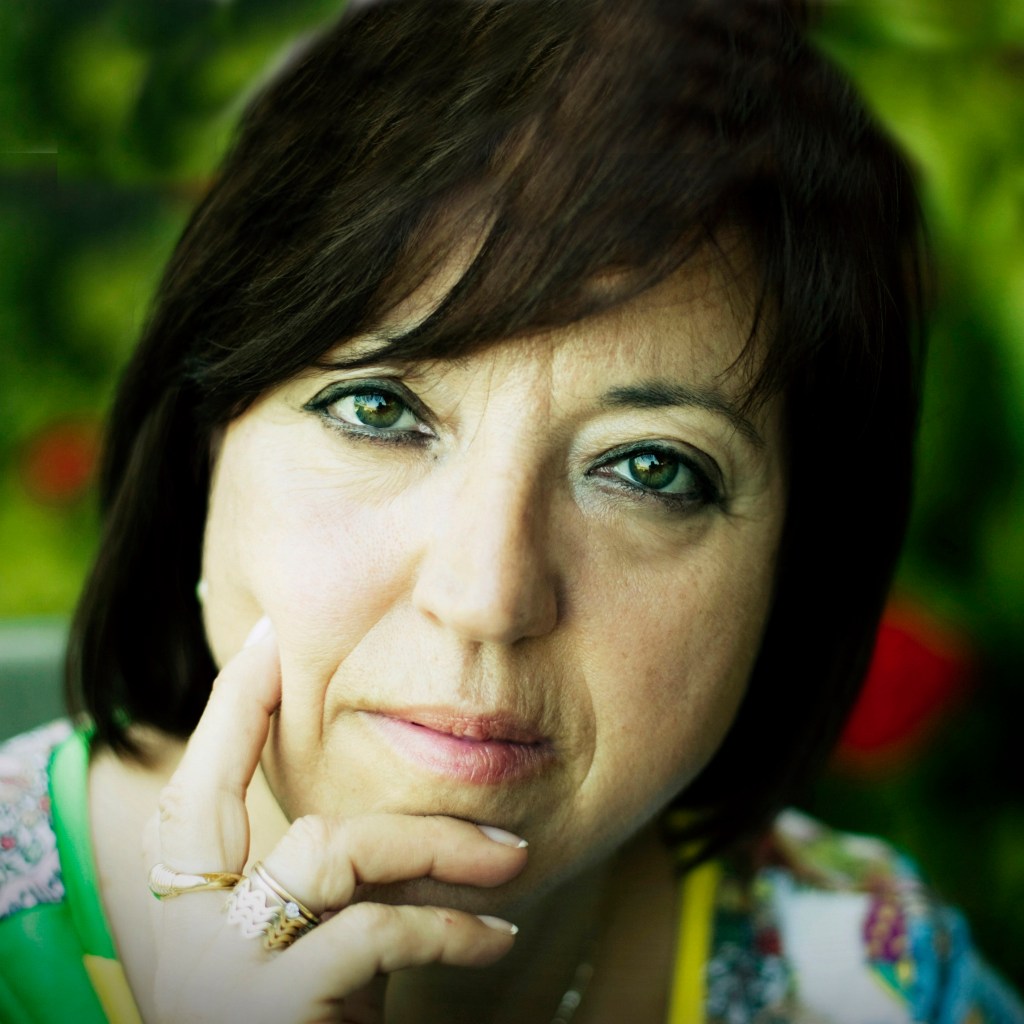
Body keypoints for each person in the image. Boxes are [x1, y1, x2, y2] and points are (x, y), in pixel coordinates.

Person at [1, 0, 1021, 1021]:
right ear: (202, 448)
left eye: (652, 470)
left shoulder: (876, 978)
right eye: (377, 411)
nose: (486, 595)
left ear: (792, 568)